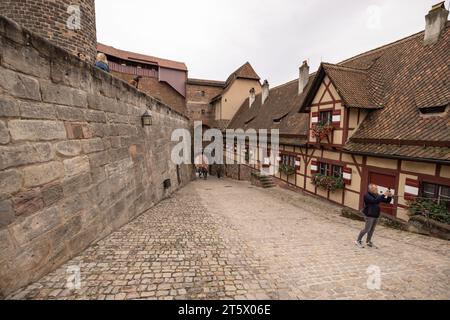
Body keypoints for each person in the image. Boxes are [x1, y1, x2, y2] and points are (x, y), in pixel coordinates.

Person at [356, 184, 393, 248]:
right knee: (367, 229)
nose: (377, 190)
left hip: (376, 214)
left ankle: (368, 241)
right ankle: (358, 240)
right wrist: (384, 195)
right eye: (375, 189)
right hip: (369, 215)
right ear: (371, 189)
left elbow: (387, 201)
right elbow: (374, 201)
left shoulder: (377, 195)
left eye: (376, 188)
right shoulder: (366, 195)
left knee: (372, 229)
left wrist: (389, 196)